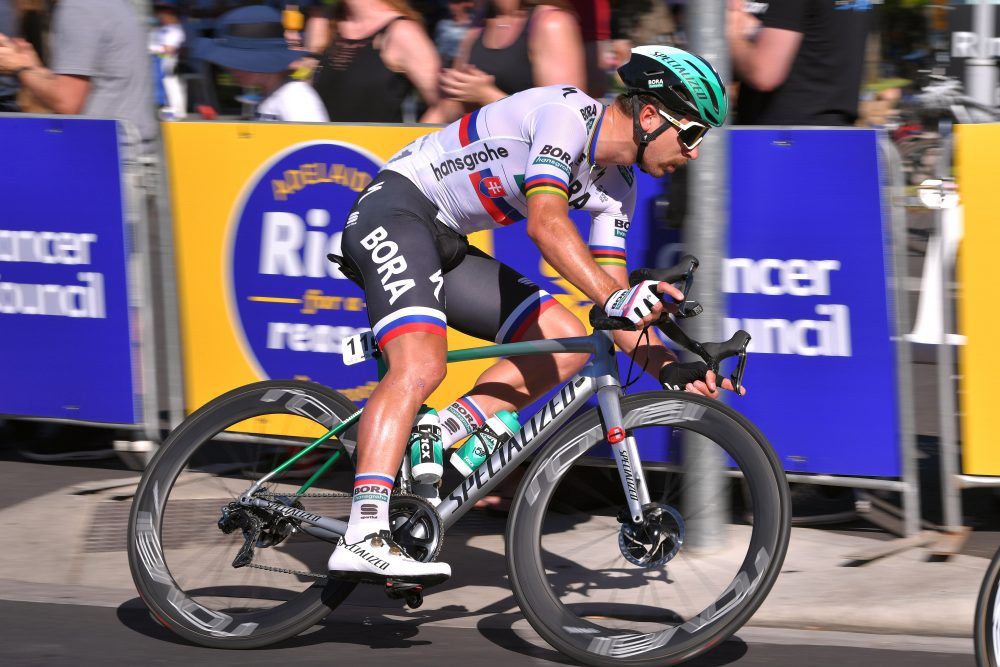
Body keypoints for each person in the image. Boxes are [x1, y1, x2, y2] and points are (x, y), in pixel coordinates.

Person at [327, 45, 736, 584]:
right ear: (652, 116)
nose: (695, 153)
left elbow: (608, 294)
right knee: (422, 365)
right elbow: (546, 226)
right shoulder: (565, 117)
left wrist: (668, 365)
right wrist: (615, 300)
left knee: (567, 339)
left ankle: (442, 431)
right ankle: (364, 531)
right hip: (396, 210)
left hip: (445, 241)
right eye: (691, 134)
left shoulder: (619, 188)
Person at [0, 0, 157, 153]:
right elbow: (85, 84)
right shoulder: (113, 5)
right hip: (128, 152)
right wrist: (32, 67)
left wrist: (20, 68)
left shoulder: (77, 8)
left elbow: (66, 102)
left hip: (106, 158)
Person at [428, 0, 586, 122]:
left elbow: (565, 117)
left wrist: (487, 95)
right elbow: (447, 109)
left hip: (531, 159)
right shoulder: (478, 26)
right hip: (482, 157)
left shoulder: (551, 23)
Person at [727, 0, 873, 126]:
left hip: (782, 141)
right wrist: (751, 27)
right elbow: (816, 36)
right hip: (841, 138)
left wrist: (729, 31)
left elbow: (763, 73)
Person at [310, 0, 441, 123]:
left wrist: (413, 144)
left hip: (377, 146)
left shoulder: (402, 31)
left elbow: (445, 106)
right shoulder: (322, 23)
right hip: (317, 145)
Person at [196, 5, 328, 122]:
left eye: (238, 62)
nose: (230, 69)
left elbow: (317, 147)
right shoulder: (268, 93)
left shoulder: (294, 96)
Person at [150, 0, 187, 119]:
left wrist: (150, 49)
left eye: (162, 12)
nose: (159, 15)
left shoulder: (175, 30)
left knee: (171, 85)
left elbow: (169, 50)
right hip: (154, 64)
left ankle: (176, 113)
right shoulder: (157, 29)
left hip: (168, 64)